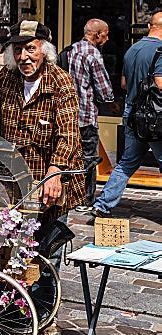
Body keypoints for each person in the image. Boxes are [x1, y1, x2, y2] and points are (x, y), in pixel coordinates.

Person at [0, 20, 86, 335]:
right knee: (11, 245)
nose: (24, 56)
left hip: (50, 179)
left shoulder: (60, 82)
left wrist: (54, 172)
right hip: (13, 180)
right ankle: (11, 307)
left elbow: (69, 135)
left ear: (44, 51)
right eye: (18, 49)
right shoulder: (6, 78)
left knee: (46, 248)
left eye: (30, 48)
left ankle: (46, 313)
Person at [92, 11, 162, 218]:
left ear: (150, 26)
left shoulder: (133, 49)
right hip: (156, 117)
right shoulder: (160, 50)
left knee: (127, 162)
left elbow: (123, 83)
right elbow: (160, 84)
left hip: (132, 112)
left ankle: (102, 205)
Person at [67, 19, 114, 213]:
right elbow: (104, 90)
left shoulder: (71, 49)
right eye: (105, 34)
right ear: (97, 34)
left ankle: (69, 195)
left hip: (68, 114)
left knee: (71, 156)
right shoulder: (93, 54)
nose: (107, 38)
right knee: (89, 158)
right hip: (85, 114)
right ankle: (84, 200)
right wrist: (111, 100)